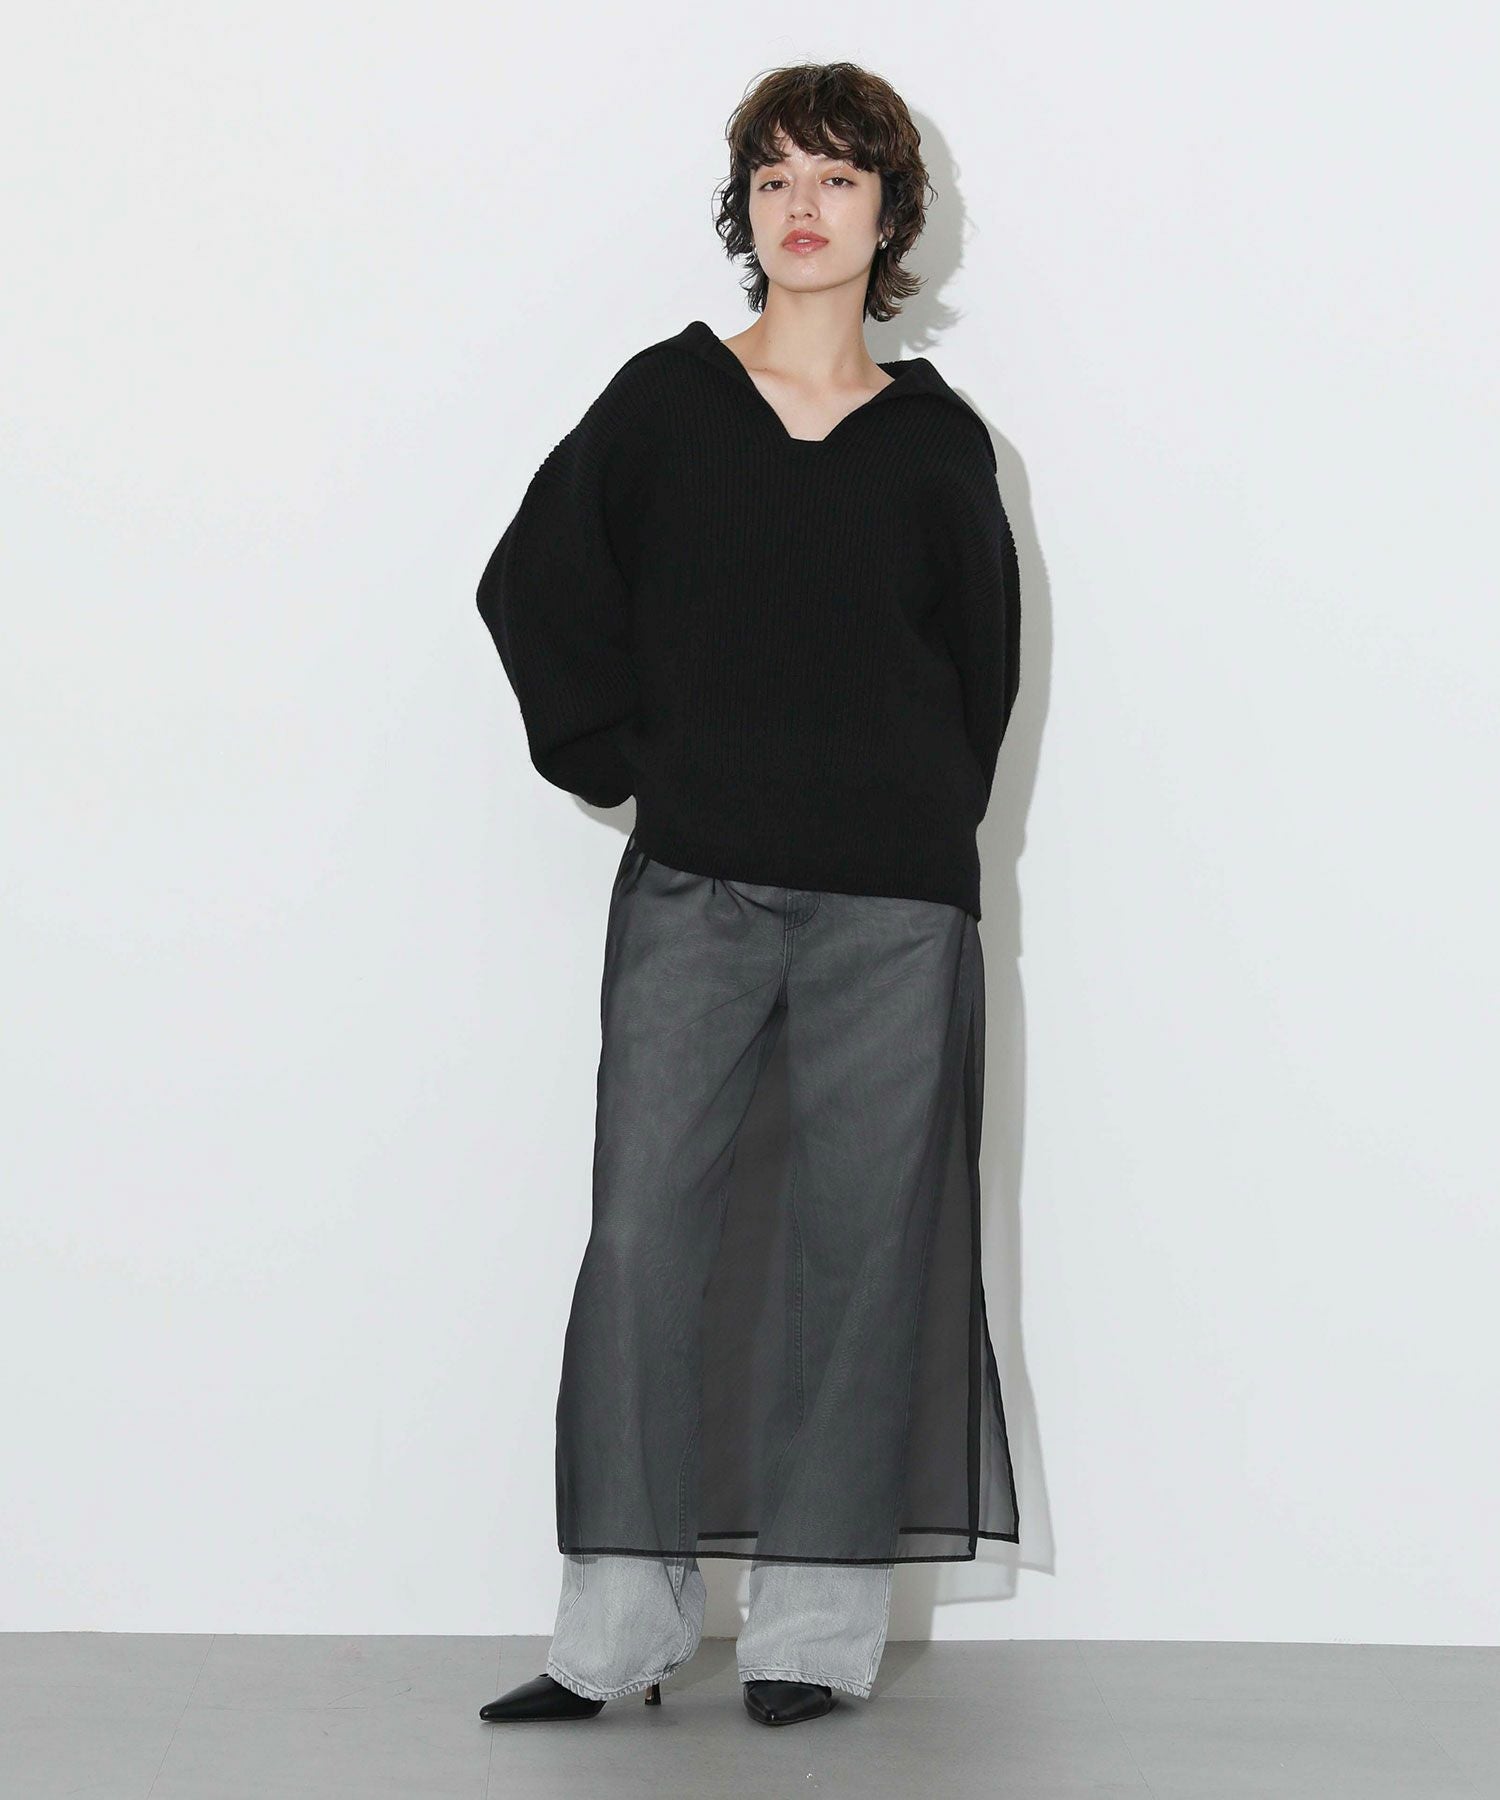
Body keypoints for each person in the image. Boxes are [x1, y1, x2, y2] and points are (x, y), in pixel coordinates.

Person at [474, 60, 1021, 1729]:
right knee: (645, 1237)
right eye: (776, 175)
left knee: (862, 1254)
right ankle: (615, 1632)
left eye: (838, 177)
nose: (803, 205)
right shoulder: (666, 401)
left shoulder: (939, 443)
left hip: (891, 912)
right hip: (695, 886)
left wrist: (907, 822)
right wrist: (638, 768)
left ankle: (808, 1637)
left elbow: (979, 677)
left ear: (887, 214)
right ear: (745, 207)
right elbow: (533, 584)